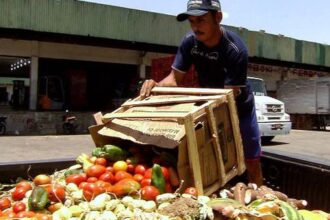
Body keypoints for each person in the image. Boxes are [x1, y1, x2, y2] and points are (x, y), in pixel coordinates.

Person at [140, 0, 263, 186]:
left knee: (251, 160)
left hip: (238, 107)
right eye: (192, 21)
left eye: (201, 20)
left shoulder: (235, 49)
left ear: (218, 17)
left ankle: (260, 193)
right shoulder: (190, 42)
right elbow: (174, 79)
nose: (196, 27)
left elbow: (227, 96)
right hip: (208, 104)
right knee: (209, 158)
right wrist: (156, 87)